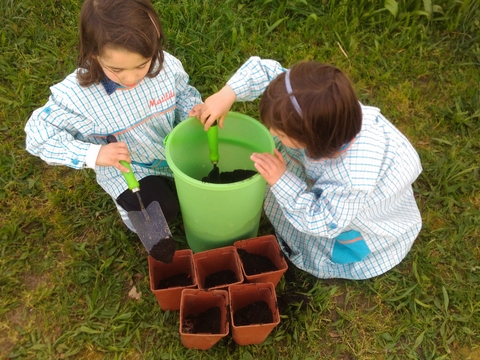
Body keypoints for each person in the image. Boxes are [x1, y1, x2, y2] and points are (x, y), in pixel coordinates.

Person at [193, 57, 422, 279]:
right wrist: (228, 94)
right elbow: (264, 72)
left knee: (316, 232)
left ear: (315, 144)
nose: (272, 134)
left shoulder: (349, 178)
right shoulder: (312, 104)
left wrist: (282, 180)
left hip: (354, 214)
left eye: (281, 134)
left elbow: (322, 219)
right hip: (338, 177)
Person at [25, 0, 202, 232]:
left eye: (141, 65)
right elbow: (38, 134)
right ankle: (128, 206)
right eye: (116, 70)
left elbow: (182, 93)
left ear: (155, 41)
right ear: (94, 54)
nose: (131, 78)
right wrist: (94, 153)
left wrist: (193, 110)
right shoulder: (78, 96)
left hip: (171, 150)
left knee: (204, 183)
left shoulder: (166, 66)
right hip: (128, 167)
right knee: (162, 209)